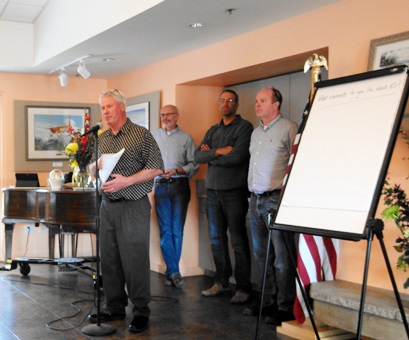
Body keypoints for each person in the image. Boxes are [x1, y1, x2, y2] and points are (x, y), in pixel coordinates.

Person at [88, 89, 164, 334]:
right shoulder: (102, 137)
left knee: (134, 260)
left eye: (109, 106)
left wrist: (126, 181)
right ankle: (115, 307)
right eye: (102, 108)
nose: (105, 112)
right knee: (109, 260)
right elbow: (90, 170)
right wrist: (94, 165)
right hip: (107, 206)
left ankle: (141, 311)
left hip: (133, 205)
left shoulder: (141, 135)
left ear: (121, 107)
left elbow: (156, 168)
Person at [244, 87, 298, 325]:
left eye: (262, 101)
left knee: (282, 258)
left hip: (277, 200)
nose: (257, 105)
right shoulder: (256, 133)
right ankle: (267, 301)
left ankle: (285, 306)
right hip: (255, 200)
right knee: (261, 254)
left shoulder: (289, 128)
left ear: (276, 104)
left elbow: (297, 163)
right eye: (256, 101)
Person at [194, 89, 253, 304]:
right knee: (217, 241)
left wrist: (212, 155)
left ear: (236, 105)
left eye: (230, 101)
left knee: (238, 241)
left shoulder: (245, 127)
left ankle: (244, 287)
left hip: (234, 193)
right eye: (222, 100)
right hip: (212, 193)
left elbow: (238, 156)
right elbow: (197, 155)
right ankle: (221, 282)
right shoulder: (213, 129)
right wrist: (218, 152)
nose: (225, 104)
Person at [151, 104, 198, 288]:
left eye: (169, 114)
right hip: (161, 186)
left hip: (179, 185)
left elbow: (194, 165)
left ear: (177, 116)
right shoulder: (154, 136)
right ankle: (174, 272)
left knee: (177, 230)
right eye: (162, 114)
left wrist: (176, 170)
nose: (165, 117)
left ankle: (172, 272)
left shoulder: (186, 138)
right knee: (165, 231)